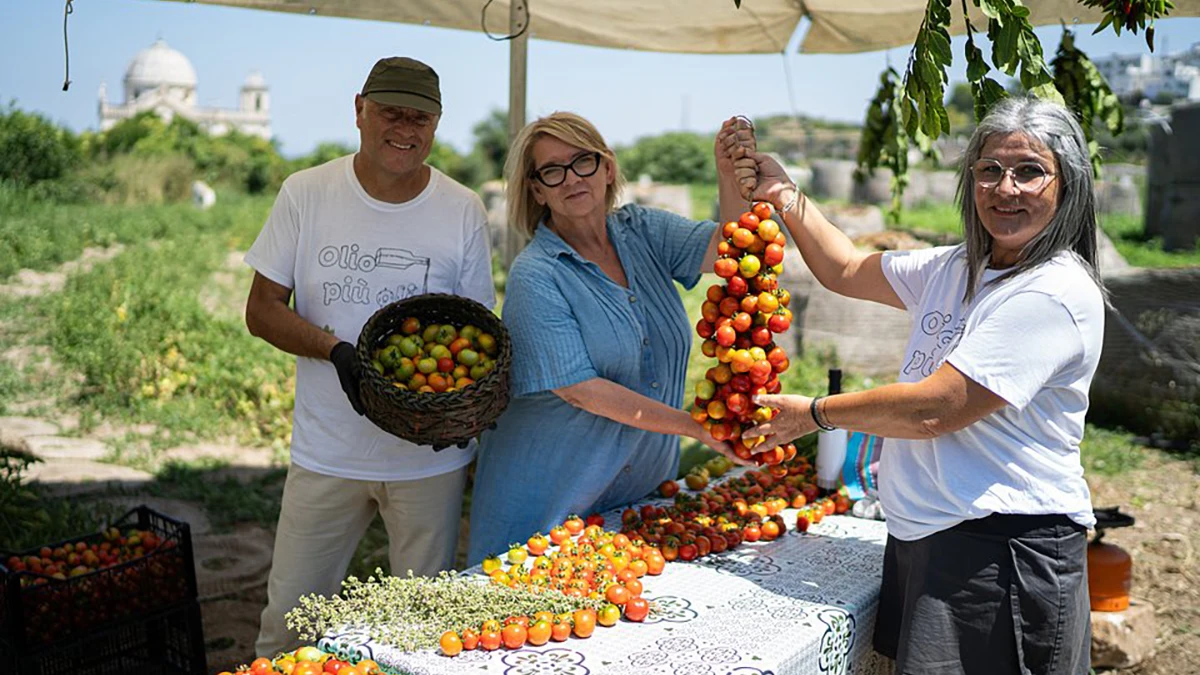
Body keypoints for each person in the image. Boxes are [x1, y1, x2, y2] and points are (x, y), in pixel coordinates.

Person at [732, 97, 1103, 674]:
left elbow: (938, 407)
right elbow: (846, 268)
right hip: (936, 533)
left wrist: (816, 412)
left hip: (1000, 547)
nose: (1006, 188)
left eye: (1030, 170)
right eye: (989, 170)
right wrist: (785, 195)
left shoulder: (1051, 292)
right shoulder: (958, 267)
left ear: (1069, 184)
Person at [243, 56, 495, 657]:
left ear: (437, 124)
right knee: (289, 622)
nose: (406, 130)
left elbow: (479, 334)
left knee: (418, 636)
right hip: (327, 450)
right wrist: (336, 352)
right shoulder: (306, 193)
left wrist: (463, 415)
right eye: (391, 113)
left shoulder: (461, 207)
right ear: (360, 109)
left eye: (421, 118)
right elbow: (262, 310)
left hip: (427, 462)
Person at [466, 112, 754, 565]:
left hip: (636, 497)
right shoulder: (536, 275)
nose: (571, 178)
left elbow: (736, 248)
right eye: (552, 170)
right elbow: (581, 391)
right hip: (548, 504)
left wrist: (727, 174)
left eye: (583, 161)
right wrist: (694, 427)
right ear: (537, 189)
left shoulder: (644, 232)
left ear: (608, 168)